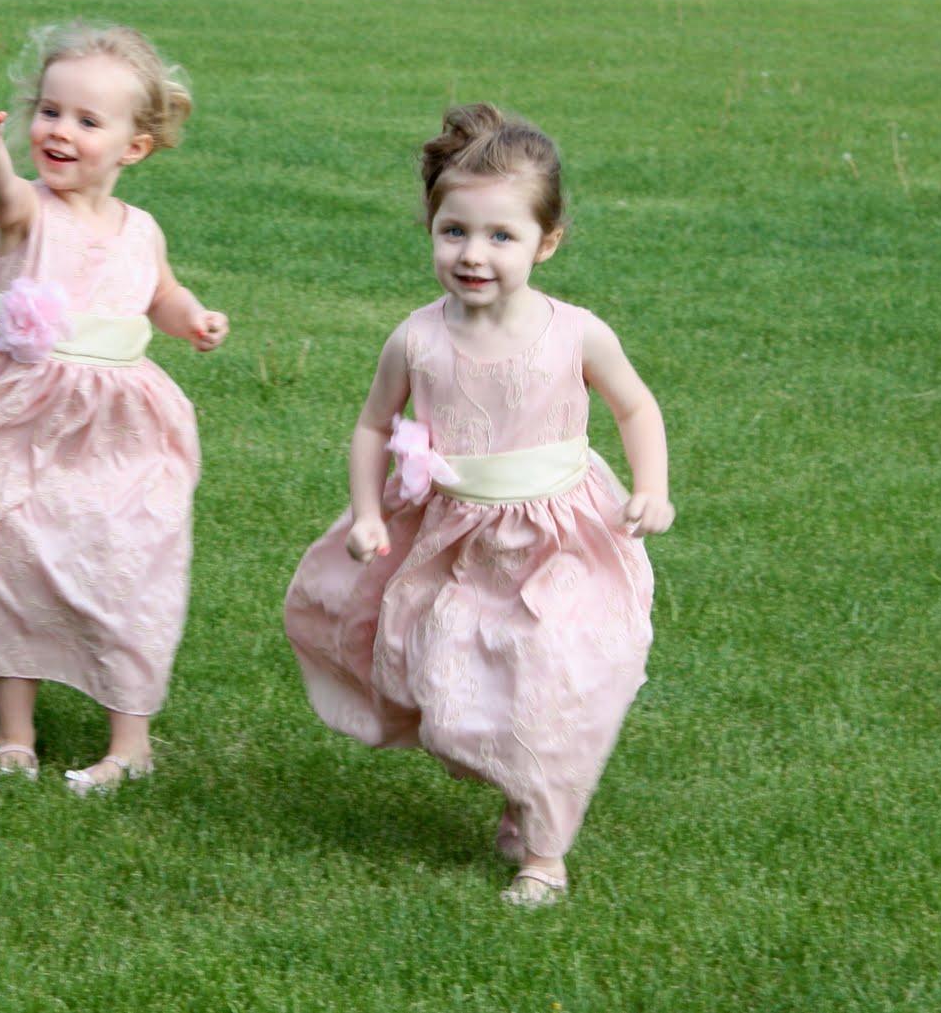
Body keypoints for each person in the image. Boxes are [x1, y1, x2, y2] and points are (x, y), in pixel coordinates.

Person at [283, 103, 672, 905]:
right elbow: (372, 423)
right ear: (432, 228)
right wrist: (364, 510)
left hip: (560, 534)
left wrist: (651, 487)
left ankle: (544, 853)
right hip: (454, 536)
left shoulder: (577, 334)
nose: (473, 254)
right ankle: (515, 782)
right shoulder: (416, 339)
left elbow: (636, 405)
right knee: (457, 679)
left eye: (502, 236)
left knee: (550, 672)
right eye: (454, 230)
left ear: (547, 241)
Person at [0, 20, 227, 792]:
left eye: (88, 120)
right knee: (9, 548)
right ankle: (14, 731)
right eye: (50, 111)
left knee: (128, 561)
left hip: (118, 425)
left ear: (134, 146)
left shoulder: (141, 229)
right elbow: (4, 204)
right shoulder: (32, 211)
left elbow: (158, 291)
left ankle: (130, 741)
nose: (60, 130)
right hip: (22, 414)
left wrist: (190, 317)